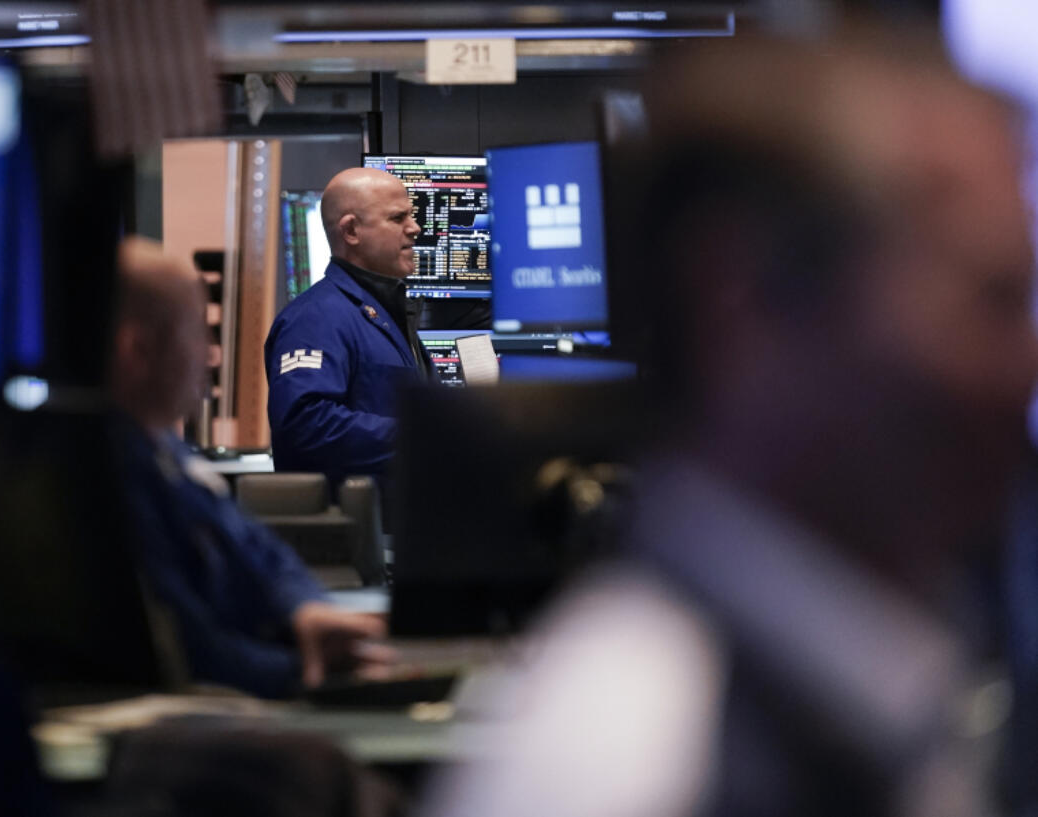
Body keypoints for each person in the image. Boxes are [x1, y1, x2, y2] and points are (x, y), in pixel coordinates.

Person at [422, 28, 1038, 817]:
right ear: (740, 298)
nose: (1023, 363)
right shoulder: (642, 759)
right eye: (991, 300)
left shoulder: (879, 690)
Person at [109, 236, 392, 699]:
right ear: (138, 351)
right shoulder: (107, 479)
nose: (211, 357)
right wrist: (304, 671)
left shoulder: (168, 454)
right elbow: (187, 650)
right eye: (199, 332)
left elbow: (257, 548)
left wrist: (304, 609)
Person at [264, 168, 432, 484]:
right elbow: (305, 425)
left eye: (411, 216)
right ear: (351, 231)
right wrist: (421, 436)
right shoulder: (315, 318)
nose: (415, 228)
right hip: (359, 529)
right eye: (398, 219)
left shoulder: (384, 313)